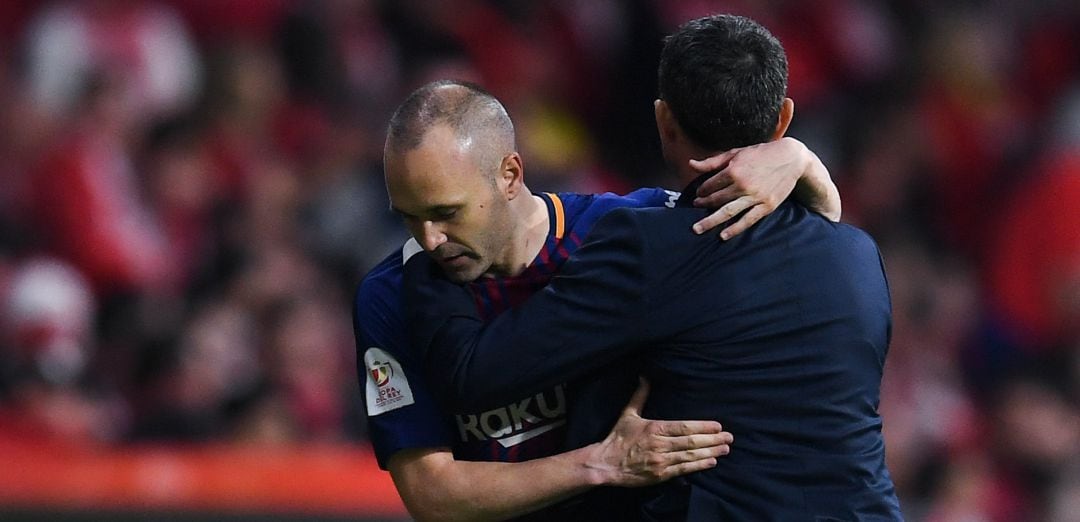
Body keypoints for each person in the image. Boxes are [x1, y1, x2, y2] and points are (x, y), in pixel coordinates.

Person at [402, 15, 902, 520]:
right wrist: (802, 159)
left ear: (664, 121)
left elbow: (474, 375)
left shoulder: (648, 247)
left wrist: (422, 258)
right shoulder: (860, 255)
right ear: (782, 120)